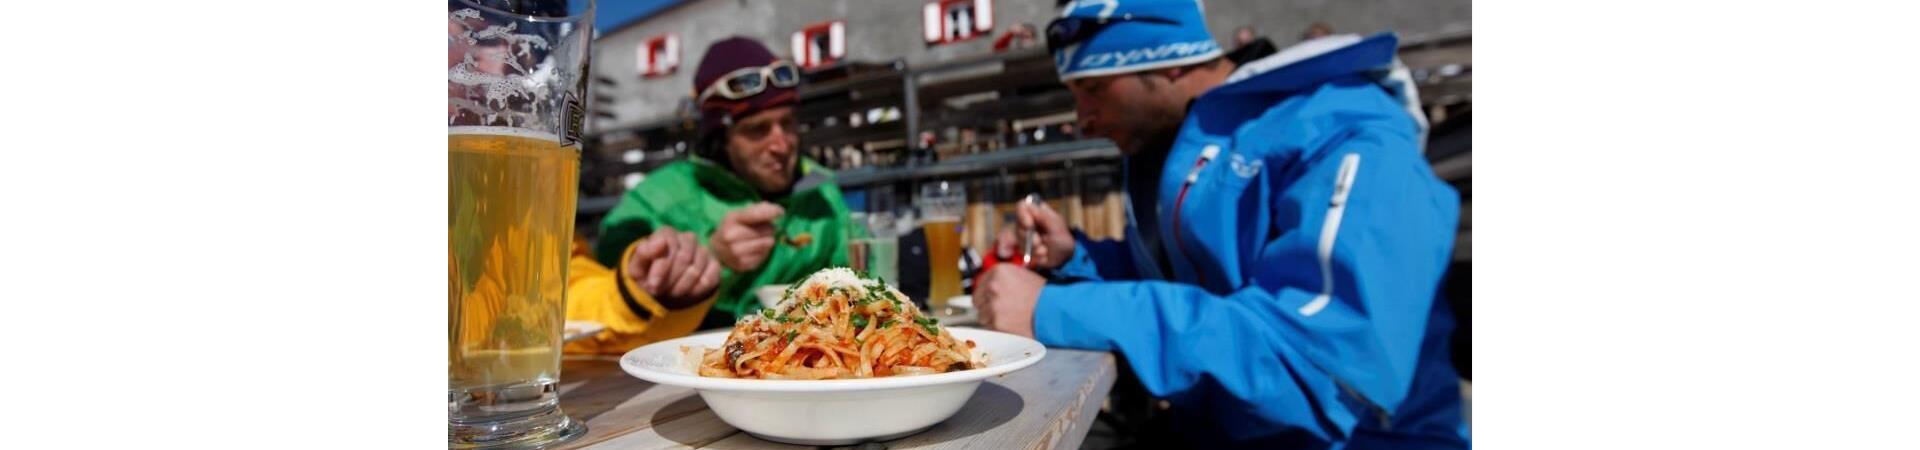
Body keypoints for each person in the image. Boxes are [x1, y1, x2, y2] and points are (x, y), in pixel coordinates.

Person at [975, 0, 1465, 448]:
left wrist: (1054, 309)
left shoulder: (1347, 135)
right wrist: (1075, 259)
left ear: (1169, 56)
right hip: (1227, 429)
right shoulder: (1200, 136)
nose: (1083, 119)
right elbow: (1203, 285)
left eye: (1095, 88)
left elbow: (1317, 364)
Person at [587, 36, 860, 338]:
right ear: (721, 139)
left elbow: (862, 283)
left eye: (788, 123)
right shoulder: (656, 198)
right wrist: (713, 257)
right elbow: (604, 301)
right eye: (757, 130)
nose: (781, 144)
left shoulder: (822, 191)